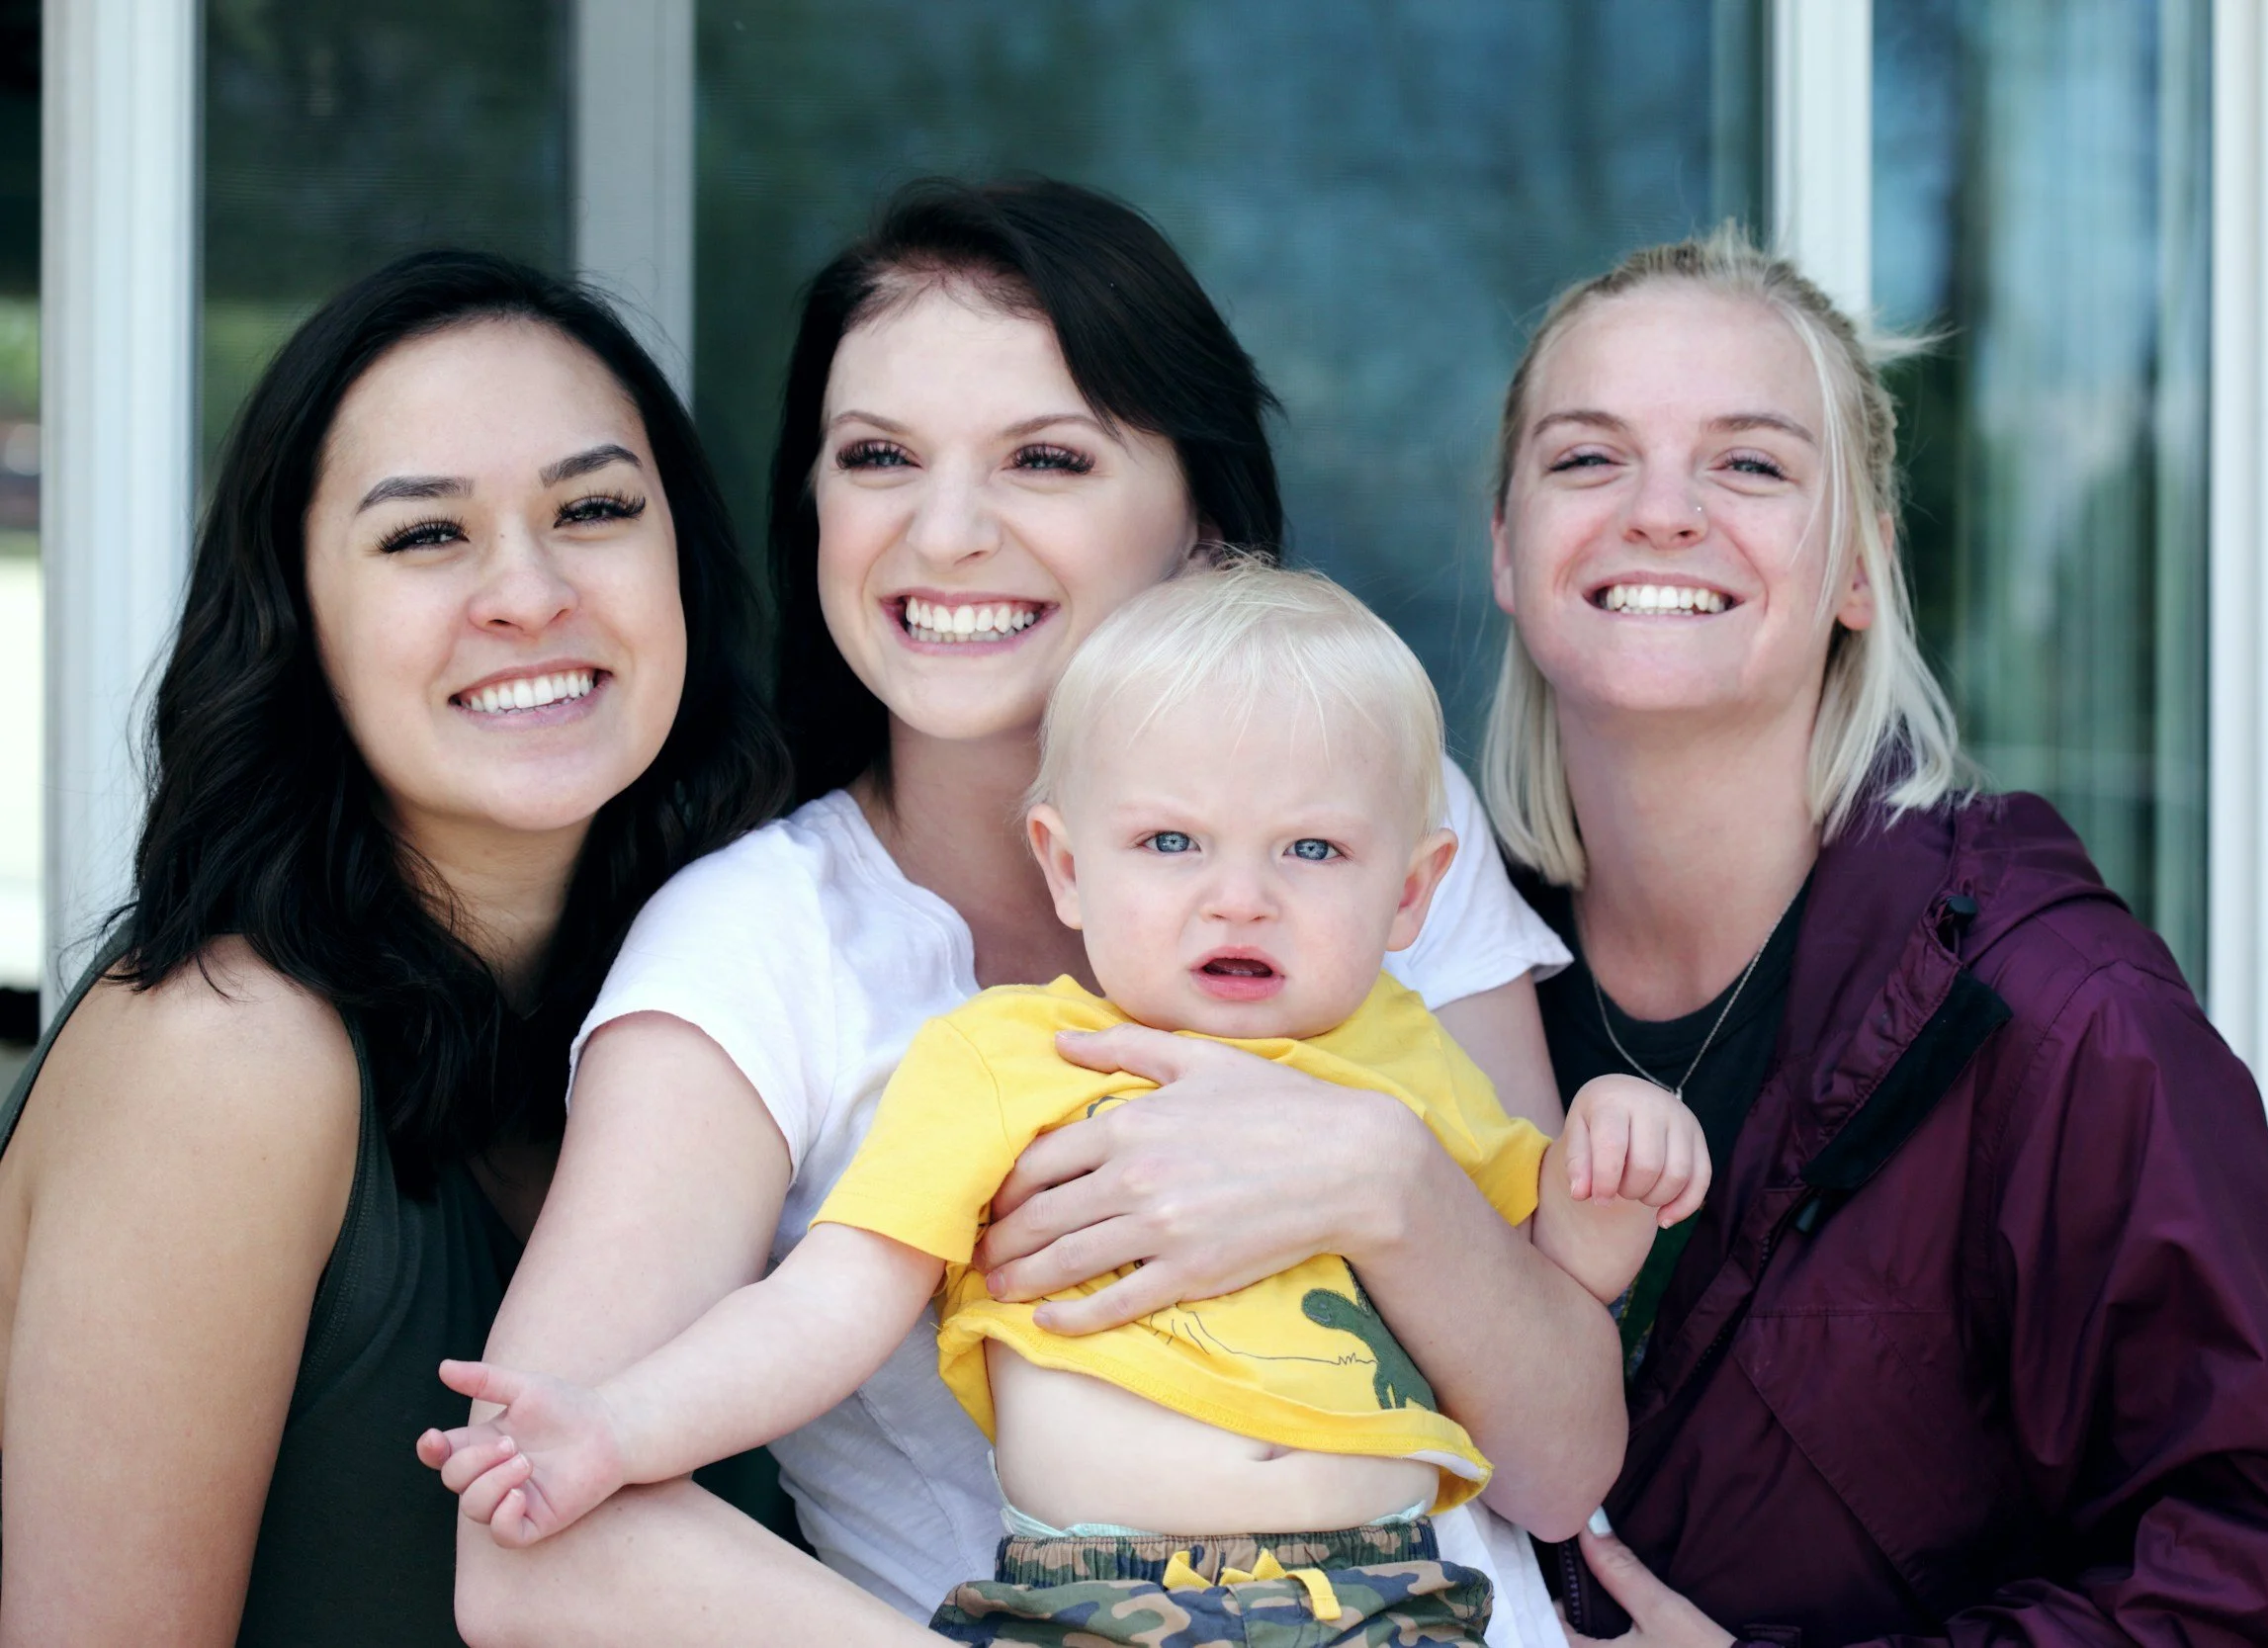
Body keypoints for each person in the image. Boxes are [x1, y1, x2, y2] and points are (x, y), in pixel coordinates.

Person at [449, 180, 1616, 1648]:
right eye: (878, 456)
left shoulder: (1363, 820)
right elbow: (527, 1555)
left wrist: (1379, 1173)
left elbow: (1565, 1464)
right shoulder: (758, 947)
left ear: (1203, 518)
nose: (944, 533)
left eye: (1045, 458)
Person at [426, 568, 1708, 1647]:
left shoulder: (1406, 1057)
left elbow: (1555, 1288)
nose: (1239, 898)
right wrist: (614, 1425)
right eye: (1170, 844)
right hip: (1096, 1604)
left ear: (1413, 891)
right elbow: (827, 1305)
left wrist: (1615, 1160)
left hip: (1395, 1592)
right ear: (1066, 863)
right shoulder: (1007, 1058)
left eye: (1310, 849)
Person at [1481, 225, 2268, 1645]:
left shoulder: (2059, 1012)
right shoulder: (1423, 979)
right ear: (1505, 550)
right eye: (1587, 457)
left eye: (1752, 463)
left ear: (1859, 567)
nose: (1661, 510)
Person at [0, 251, 787, 1643]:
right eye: (426, 535)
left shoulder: (715, 1017)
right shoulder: (226, 1054)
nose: (528, 592)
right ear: (298, 618)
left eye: (594, 507)